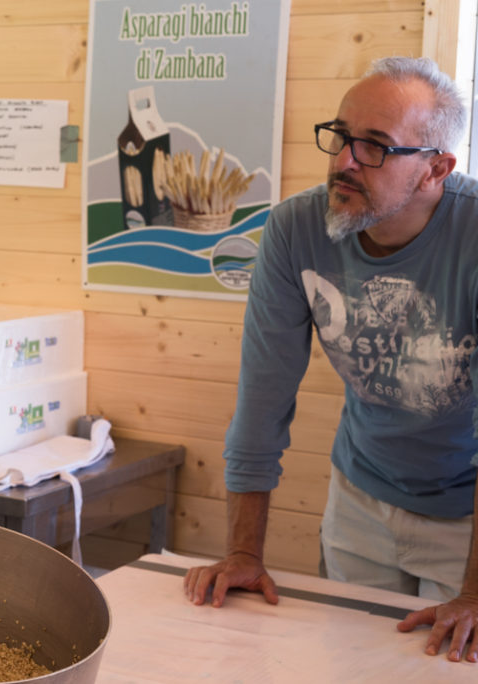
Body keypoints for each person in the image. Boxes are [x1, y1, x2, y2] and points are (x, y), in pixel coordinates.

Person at [183, 55, 478, 664]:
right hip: (361, 498)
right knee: (348, 666)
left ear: (436, 170)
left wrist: (475, 592)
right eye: (341, 135)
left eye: (375, 146)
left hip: (466, 517)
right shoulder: (295, 229)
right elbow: (263, 399)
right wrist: (243, 553)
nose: (343, 160)